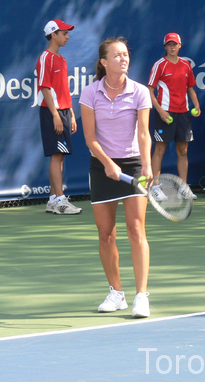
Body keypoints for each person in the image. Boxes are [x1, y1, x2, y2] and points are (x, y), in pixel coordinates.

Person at [79, 37, 153, 318]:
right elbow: (90, 137)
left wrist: (146, 166)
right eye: (117, 55)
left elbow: (144, 133)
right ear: (104, 62)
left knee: (136, 230)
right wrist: (108, 163)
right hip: (101, 167)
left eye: (126, 55)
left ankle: (141, 296)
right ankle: (116, 294)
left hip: (134, 165)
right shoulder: (90, 93)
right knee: (106, 234)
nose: (123, 59)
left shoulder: (140, 92)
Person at [36, 19, 82, 215]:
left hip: (63, 111)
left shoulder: (61, 59)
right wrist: (55, 115)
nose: (67, 36)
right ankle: (60, 201)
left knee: (59, 156)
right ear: (53, 35)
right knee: (56, 156)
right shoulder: (45, 58)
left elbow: (63, 89)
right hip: (51, 112)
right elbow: (45, 88)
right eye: (64, 33)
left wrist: (70, 113)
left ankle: (54, 199)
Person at [148, 32, 200, 201]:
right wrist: (160, 111)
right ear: (165, 47)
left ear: (179, 46)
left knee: (183, 151)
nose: (172, 47)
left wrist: (196, 104)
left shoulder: (186, 65)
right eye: (169, 44)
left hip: (184, 113)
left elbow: (190, 87)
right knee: (160, 149)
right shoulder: (159, 65)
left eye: (175, 44)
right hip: (165, 113)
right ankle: (154, 187)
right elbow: (150, 90)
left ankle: (183, 188)